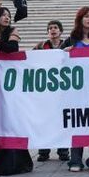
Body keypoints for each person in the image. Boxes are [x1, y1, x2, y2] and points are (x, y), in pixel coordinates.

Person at [0, 7, 34, 176]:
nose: (7, 18)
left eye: (9, 15)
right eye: (3, 15)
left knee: (8, 119)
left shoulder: (12, 31)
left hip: (7, 84)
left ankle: (15, 164)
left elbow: (12, 48)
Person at [61, 7, 89, 172]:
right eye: (86, 16)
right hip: (76, 91)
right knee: (77, 123)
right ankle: (75, 160)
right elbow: (57, 59)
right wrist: (63, 52)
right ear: (80, 19)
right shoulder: (71, 40)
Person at [34, 20, 69, 163]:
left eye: (55, 28)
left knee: (63, 121)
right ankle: (43, 151)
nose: (53, 30)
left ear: (60, 31)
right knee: (45, 121)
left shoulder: (67, 45)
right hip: (47, 90)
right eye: (50, 28)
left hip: (64, 89)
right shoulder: (41, 46)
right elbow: (30, 61)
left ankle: (63, 150)